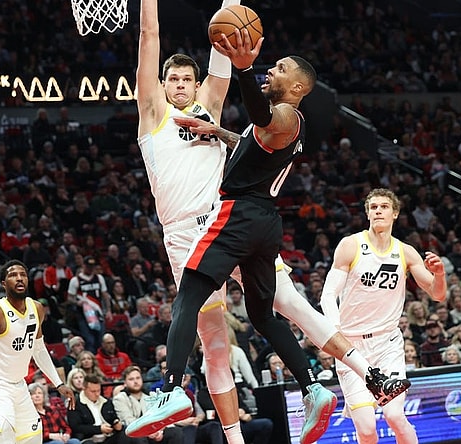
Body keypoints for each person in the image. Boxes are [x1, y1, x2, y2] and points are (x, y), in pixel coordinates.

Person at [126, 2, 398, 442]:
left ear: (198, 85)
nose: (179, 84)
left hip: (225, 220)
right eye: (171, 79)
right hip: (186, 233)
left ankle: (366, 375)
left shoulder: (211, 105)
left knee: (287, 304)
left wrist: (231, 14)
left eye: (186, 79)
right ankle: (257, 423)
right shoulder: (153, 114)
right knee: (221, 341)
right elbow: (148, 39)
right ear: (160, 85)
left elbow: (225, 48)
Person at [321, 188, 446, 444]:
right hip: (351, 347)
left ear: (395, 213)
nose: (378, 211)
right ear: (367, 213)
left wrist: (441, 274)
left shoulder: (405, 252)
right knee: (367, 429)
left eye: (384, 207)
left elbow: (437, 294)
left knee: (394, 416)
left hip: (387, 344)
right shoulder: (351, 245)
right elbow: (327, 295)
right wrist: (336, 333)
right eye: (374, 207)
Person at [0, 260, 75, 444]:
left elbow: (39, 350)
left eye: (23, 274)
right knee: (4, 437)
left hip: (20, 386)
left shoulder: (37, 308)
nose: (19, 278)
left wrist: (58, 383)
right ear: (3, 283)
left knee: (33, 439)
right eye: (12, 275)